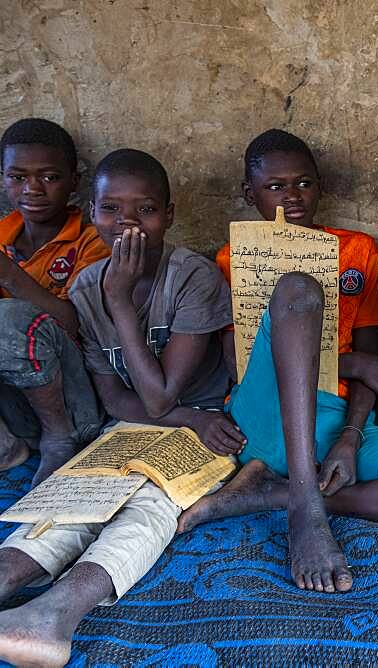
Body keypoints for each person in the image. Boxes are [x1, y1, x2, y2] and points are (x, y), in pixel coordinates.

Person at [176, 129, 378, 594]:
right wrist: (351, 365)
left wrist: (351, 438)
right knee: (297, 287)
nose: (292, 197)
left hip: (334, 423)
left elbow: (375, 356)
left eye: (303, 183)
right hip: (266, 412)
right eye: (275, 186)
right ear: (247, 193)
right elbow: (239, 365)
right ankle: (306, 510)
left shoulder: (357, 251)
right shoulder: (233, 257)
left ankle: (278, 492)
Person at [0, 148, 239, 667]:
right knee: (80, 494)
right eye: (111, 209)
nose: (126, 223)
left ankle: (56, 614)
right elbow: (114, 397)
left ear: (169, 216)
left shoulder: (193, 277)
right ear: (92, 213)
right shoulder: (88, 286)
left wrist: (123, 302)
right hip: (141, 420)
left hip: (209, 425)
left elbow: (160, 395)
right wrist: (110, 295)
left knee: (152, 501)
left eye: (145, 210)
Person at [0, 118, 109, 486]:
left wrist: (8, 274)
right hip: (16, 403)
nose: (32, 189)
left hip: (75, 402)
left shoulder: (91, 241)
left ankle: (60, 439)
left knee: (10, 318)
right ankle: (6, 444)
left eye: (49, 177)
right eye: (17, 177)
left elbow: (75, 323)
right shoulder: (2, 236)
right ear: (2, 178)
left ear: (74, 181)